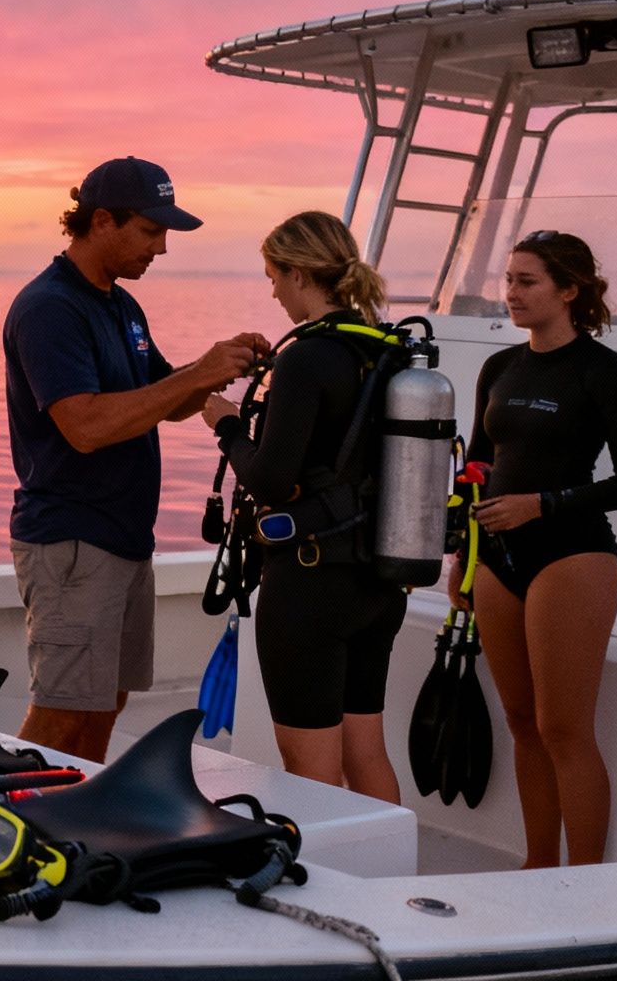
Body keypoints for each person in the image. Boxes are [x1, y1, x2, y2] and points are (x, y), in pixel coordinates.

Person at [4, 155, 265, 763]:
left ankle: (76, 837)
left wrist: (217, 367)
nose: (163, 249)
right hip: (72, 543)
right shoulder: (49, 308)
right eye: (151, 232)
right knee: (62, 716)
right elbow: (87, 428)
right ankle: (0, 834)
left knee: (104, 707)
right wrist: (200, 373)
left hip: (123, 541)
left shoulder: (120, 306)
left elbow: (163, 401)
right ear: (101, 222)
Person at [454, 231, 617, 866]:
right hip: (497, 559)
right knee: (521, 722)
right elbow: (478, 468)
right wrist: (464, 548)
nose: (510, 293)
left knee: (565, 729)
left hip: (572, 556)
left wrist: (541, 505)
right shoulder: (499, 367)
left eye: (527, 281)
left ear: (570, 291)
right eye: (508, 280)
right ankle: (538, 867)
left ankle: (586, 881)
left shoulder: (605, 372)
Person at [199, 211, 404, 801]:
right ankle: (386, 885)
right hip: (378, 580)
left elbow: (268, 479)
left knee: (311, 764)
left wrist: (227, 424)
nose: (272, 291)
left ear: (297, 273)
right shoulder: (385, 350)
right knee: (366, 752)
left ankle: (332, 888)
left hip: (311, 584)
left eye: (272, 276)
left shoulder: (306, 358)